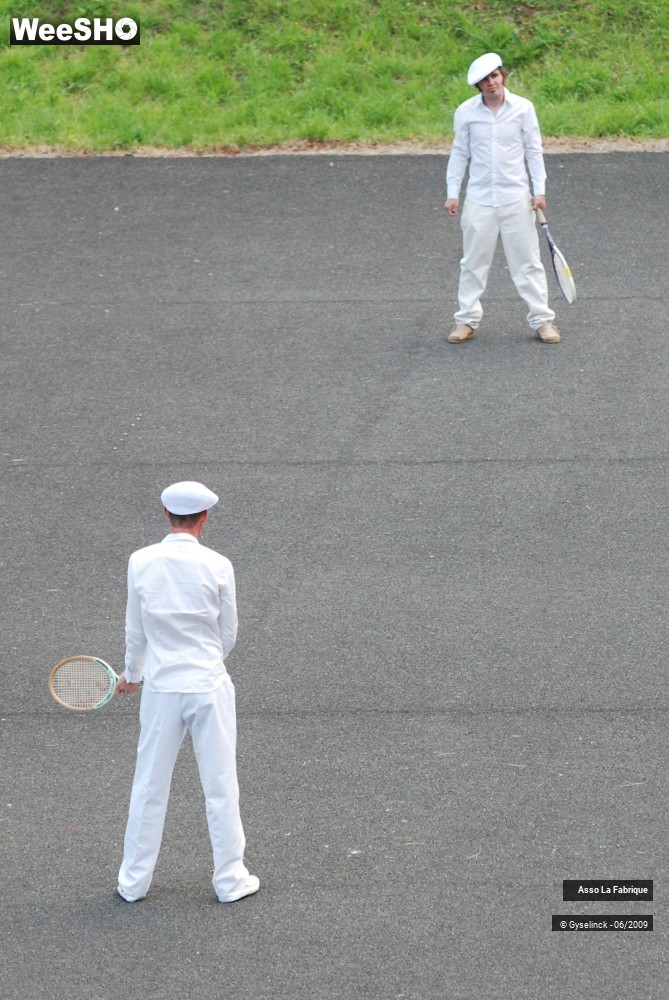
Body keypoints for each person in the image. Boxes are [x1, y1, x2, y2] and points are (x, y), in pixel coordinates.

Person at [115, 480, 259, 904]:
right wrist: (208, 659)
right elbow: (227, 633)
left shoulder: (140, 562)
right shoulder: (218, 565)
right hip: (208, 686)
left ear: (165, 515)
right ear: (205, 518)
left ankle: (133, 883)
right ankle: (230, 881)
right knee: (220, 785)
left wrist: (133, 674)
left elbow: (135, 629)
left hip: (161, 689)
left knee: (149, 786)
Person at [444, 52, 560, 344]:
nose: (491, 83)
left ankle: (543, 321)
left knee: (528, 263)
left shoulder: (523, 108)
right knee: (473, 263)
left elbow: (534, 150)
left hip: (516, 199)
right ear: (478, 86)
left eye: (495, 76)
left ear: (502, 76)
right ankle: (466, 321)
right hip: (479, 199)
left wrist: (539, 190)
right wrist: (452, 193)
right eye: (484, 80)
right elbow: (459, 153)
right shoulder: (466, 112)